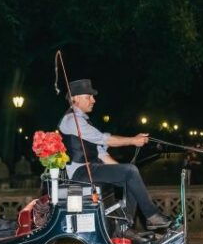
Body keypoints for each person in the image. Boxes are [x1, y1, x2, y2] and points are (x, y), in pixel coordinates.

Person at [58, 79, 171, 234]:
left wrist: (124, 171)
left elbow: (102, 154)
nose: (93, 100)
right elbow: (106, 140)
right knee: (130, 172)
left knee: (130, 176)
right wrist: (133, 140)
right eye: (88, 96)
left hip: (91, 168)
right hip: (80, 173)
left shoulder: (83, 121)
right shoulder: (72, 120)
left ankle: (125, 225)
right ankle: (152, 215)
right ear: (75, 98)